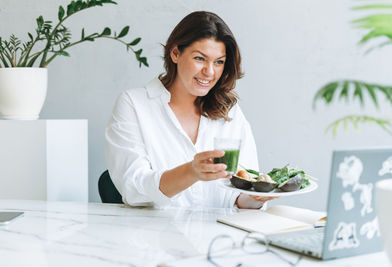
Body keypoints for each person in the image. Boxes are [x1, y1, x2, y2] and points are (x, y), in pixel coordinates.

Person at [106, 11, 276, 209]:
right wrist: (191, 172)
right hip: (156, 236)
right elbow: (133, 189)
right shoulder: (134, 105)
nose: (210, 72)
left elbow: (240, 191)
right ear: (175, 53)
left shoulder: (230, 112)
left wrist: (256, 197)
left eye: (219, 62)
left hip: (218, 236)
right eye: (200, 58)